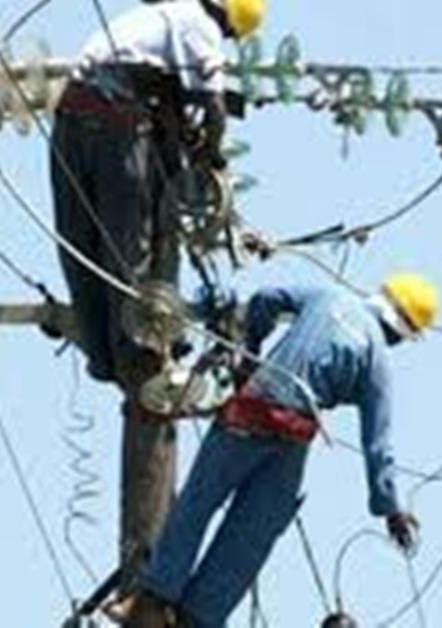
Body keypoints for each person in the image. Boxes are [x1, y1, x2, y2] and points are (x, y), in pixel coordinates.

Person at [51, 0, 266, 592]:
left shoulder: (157, 16)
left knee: (82, 248)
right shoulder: (199, 28)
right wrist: (211, 149)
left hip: (71, 113)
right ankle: (136, 351)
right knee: (133, 260)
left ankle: (106, 355)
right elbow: (213, 104)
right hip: (118, 122)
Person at [109, 273, 440, 627]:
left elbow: (267, 296)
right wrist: (391, 509)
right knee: (253, 534)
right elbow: (378, 441)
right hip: (292, 438)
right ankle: (196, 619)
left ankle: (153, 603)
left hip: (252, 410)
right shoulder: (377, 360)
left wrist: (252, 346)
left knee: (199, 502)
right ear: (402, 332)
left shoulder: (328, 296)